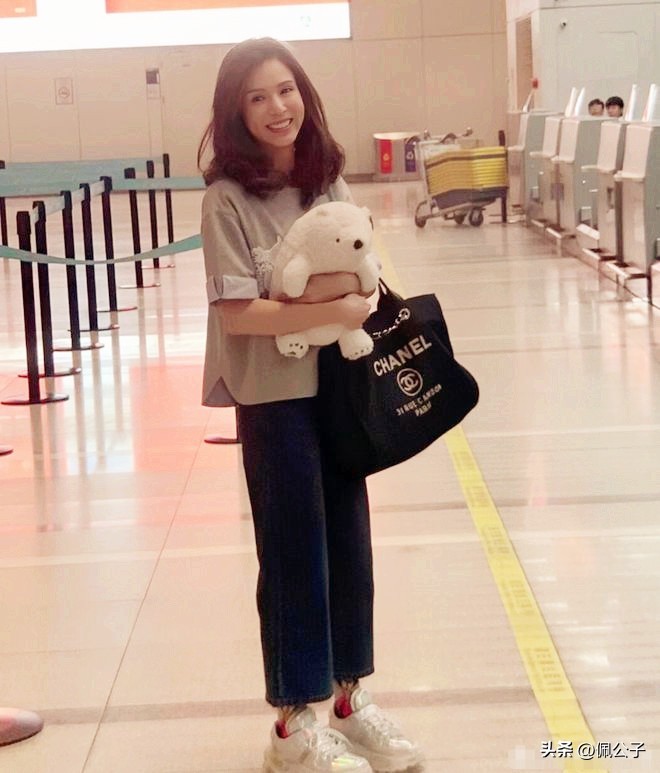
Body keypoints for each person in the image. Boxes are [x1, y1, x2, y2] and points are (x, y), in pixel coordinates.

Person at [197, 37, 424, 773]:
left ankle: (351, 699)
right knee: (294, 548)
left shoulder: (328, 183)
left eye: (286, 89)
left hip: (339, 389)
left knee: (349, 541)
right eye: (257, 97)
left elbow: (365, 280)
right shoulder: (225, 200)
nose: (277, 108)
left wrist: (331, 302)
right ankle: (293, 723)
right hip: (273, 398)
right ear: (235, 112)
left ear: (305, 94)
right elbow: (240, 315)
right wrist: (328, 306)